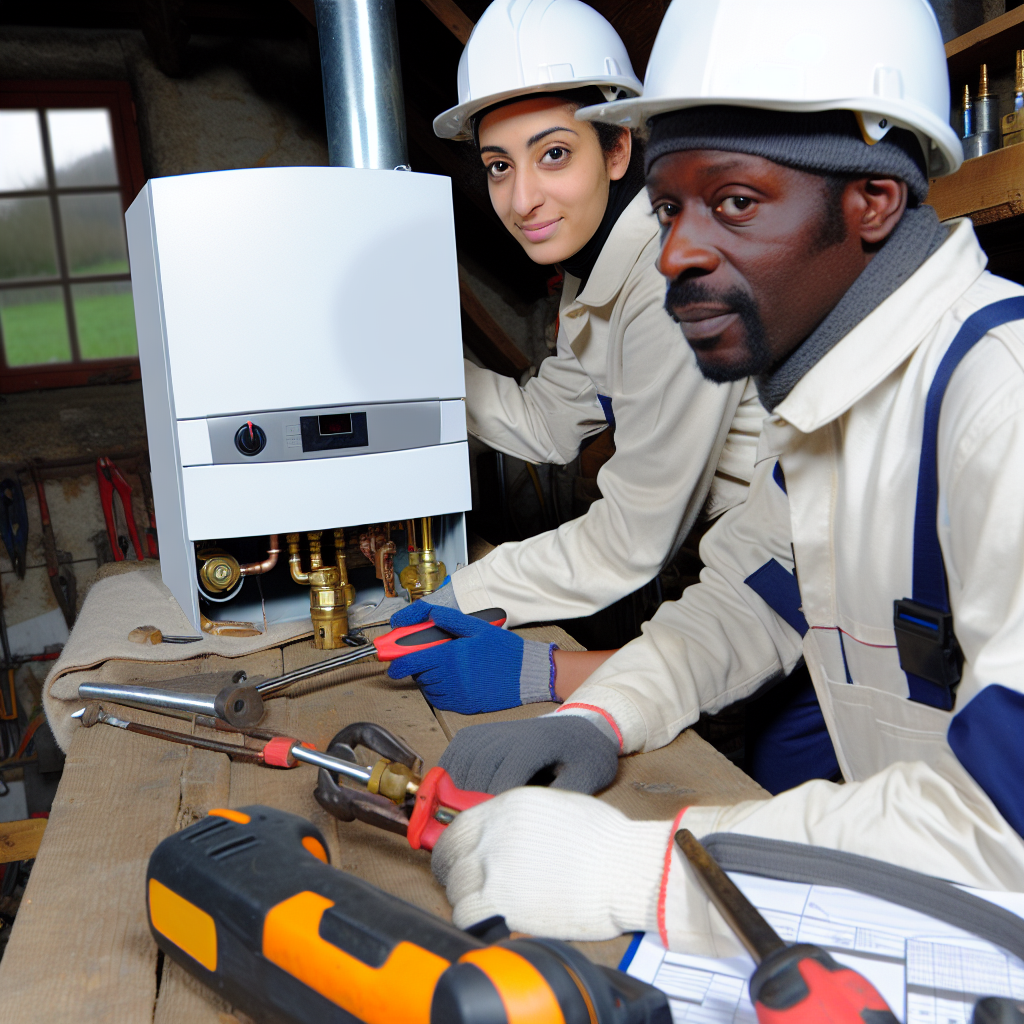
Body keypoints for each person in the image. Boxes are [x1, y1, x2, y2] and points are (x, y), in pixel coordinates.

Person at [426, 0, 1024, 952]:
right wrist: (600, 715)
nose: (675, 255)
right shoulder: (834, 406)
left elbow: (1007, 825)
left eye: (734, 202)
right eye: (670, 210)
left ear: (871, 201)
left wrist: (637, 868)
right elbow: (750, 602)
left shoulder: (999, 402)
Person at [387, 0, 765, 715]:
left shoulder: (671, 280)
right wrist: (416, 370)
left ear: (618, 149)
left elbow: (631, 538)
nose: (522, 198)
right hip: (739, 589)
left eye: (553, 153)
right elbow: (547, 421)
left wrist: (459, 594)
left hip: (802, 593)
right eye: (500, 166)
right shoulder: (600, 277)